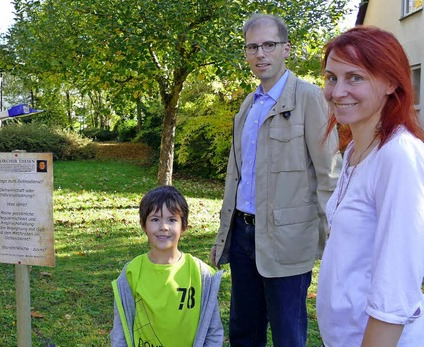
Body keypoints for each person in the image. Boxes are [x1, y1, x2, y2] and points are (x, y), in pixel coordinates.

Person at [210, 13, 341, 346]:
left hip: (288, 239)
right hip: (242, 236)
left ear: (287, 49)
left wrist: (335, 243)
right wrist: (224, 232)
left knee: (287, 334)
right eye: (252, 47)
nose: (260, 54)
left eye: (269, 45)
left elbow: (329, 174)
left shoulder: (310, 99)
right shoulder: (247, 107)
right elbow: (236, 178)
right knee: (244, 330)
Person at [316, 26, 424, 346]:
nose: (337, 92)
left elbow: (396, 287)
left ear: (391, 83)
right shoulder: (355, 150)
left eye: (355, 77)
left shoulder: (398, 156)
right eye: (331, 77)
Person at [111, 185, 224, 347]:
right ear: (144, 225)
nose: (163, 227)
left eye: (172, 219)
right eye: (155, 219)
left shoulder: (201, 274)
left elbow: (213, 331)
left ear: (183, 226)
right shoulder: (131, 272)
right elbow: (120, 330)